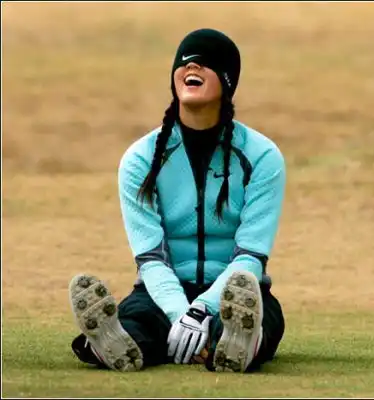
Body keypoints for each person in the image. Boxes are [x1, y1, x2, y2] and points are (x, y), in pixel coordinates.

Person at [68, 28, 286, 373]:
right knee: (139, 319)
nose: (191, 66)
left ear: (227, 81)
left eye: (205, 62)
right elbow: (150, 258)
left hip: (236, 293)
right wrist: (179, 312)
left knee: (257, 317)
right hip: (159, 291)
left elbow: (251, 256)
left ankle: (239, 340)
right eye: (184, 61)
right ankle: (112, 341)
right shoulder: (140, 159)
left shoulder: (262, 157)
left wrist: (201, 310)